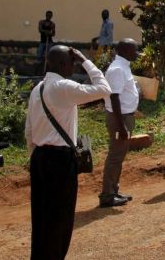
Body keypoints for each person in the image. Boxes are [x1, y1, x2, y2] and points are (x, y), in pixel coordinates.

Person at [25, 45, 111, 260]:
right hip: (59, 160)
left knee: (42, 216)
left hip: (39, 157)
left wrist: (34, 156)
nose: (74, 65)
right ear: (63, 64)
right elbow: (104, 88)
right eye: (72, 62)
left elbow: (29, 129)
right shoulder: (63, 87)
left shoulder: (39, 88)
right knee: (60, 218)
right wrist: (85, 61)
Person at [99, 39, 139, 208]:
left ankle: (113, 190)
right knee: (115, 156)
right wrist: (121, 126)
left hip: (125, 117)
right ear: (125, 51)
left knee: (119, 154)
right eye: (134, 50)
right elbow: (114, 97)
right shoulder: (117, 69)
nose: (137, 53)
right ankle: (107, 195)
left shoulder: (123, 66)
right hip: (119, 119)